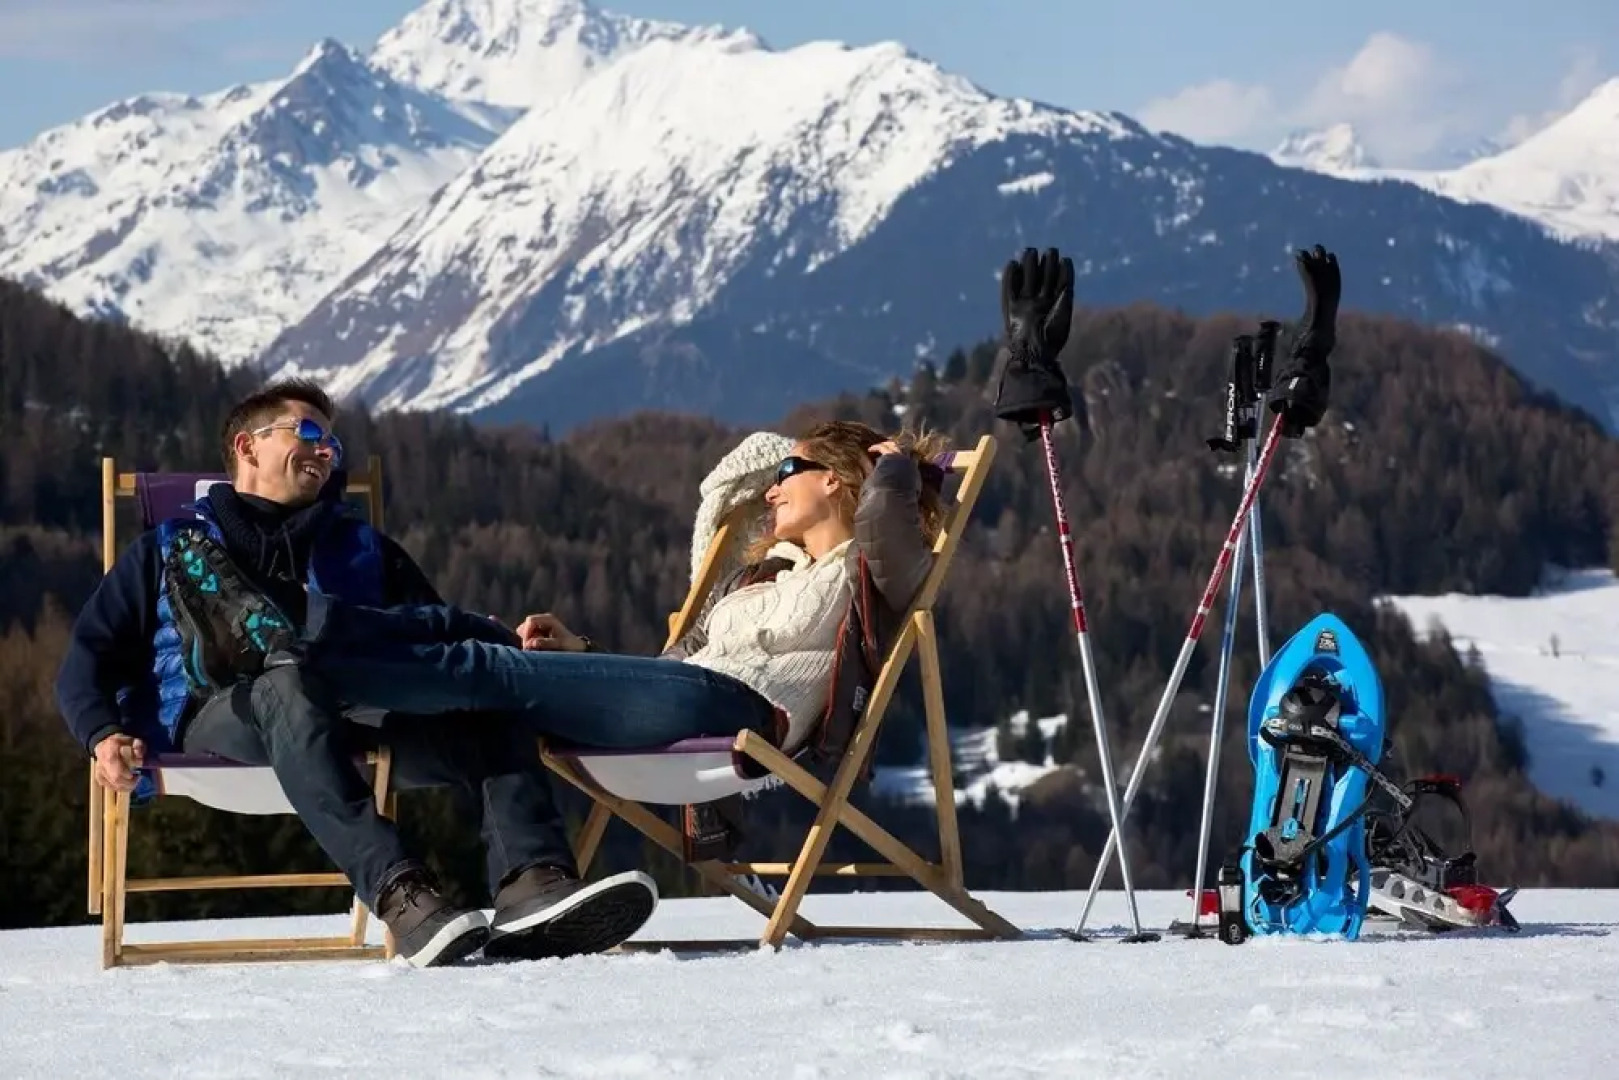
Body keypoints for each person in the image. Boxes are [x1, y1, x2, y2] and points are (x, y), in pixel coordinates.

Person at [55, 379, 658, 968]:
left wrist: (503, 639)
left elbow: (431, 630)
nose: (325, 451)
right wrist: (103, 733)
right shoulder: (170, 546)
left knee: (482, 697)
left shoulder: (360, 546)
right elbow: (86, 658)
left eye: (332, 445)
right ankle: (403, 894)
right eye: (310, 432)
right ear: (247, 446)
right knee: (286, 679)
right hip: (224, 712)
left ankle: (534, 885)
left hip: (358, 716)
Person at [250, 419, 951, 778]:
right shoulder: (766, 572)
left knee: (487, 670)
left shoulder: (869, 568)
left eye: (790, 472)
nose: (772, 487)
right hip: (689, 693)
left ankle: (303, 658)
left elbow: (888, 524)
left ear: (838, 479)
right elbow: (682, 656)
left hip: (743, 713)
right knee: (497, 676)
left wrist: (888, 466)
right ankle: (308, 663)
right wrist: (583, 654)